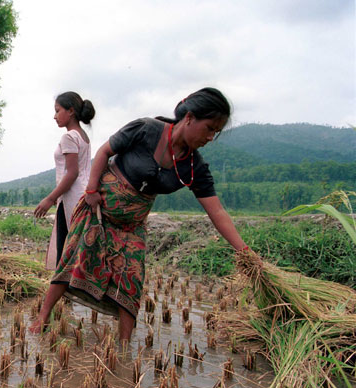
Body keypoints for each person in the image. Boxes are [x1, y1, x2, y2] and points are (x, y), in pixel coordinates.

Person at [29, 87, 248, 341]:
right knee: (73, 259)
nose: (210, 137)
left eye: (216, 132)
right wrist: (91, 190)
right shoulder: (146, 129)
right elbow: (104, 152)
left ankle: (124, 346)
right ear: (189, 118)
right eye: (209, 128)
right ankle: (42, 318)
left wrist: (245, 252)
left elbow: (217, 211)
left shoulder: (193, 167)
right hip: (98, 211)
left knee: (131, 279)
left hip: (131, 226)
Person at [34, 92, 95, 270]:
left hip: (71, 199)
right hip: (81, 196)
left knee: (66, 251)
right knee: (76, 248)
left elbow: (72, 173)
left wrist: (50, 198)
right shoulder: (83, 136)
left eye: (57, 110)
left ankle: (64, 284)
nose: (54, 116)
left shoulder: (69, 137)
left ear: (71, 111)